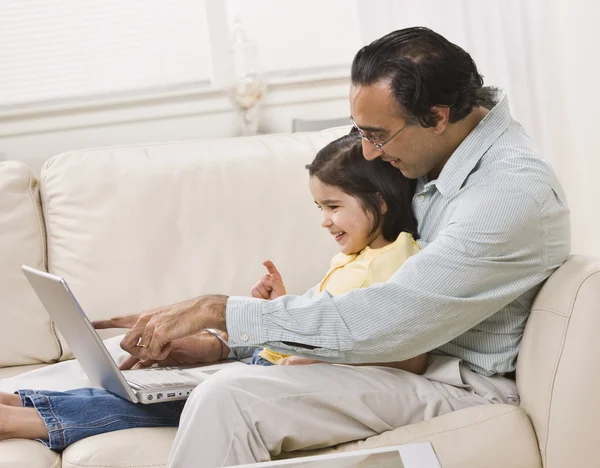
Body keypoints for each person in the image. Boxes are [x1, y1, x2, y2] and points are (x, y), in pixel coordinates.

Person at [91, 27, 569, 467]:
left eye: (378, 135)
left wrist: (219, 310)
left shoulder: (507, 193)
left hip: (459, 382)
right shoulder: (435, 155)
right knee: (213, 386)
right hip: (402, 361)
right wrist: (221, 343)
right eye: (361, 132)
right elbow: (359, 296)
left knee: (231, 398)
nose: (367, 152)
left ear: (438, 116)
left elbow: (383, 320)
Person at [0, 133, 425, 450]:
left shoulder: (400, 257)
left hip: (282, 379)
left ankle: (27, 421)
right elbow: (327, 318)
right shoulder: (349, 259)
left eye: (334, 207)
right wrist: (281, 308)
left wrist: (317, 357)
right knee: (146, 387)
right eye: (320, 209)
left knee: (157, 406)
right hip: (266, 363)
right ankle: (25, 399)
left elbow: (398, 341)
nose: (325, 222)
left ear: (381, 202)